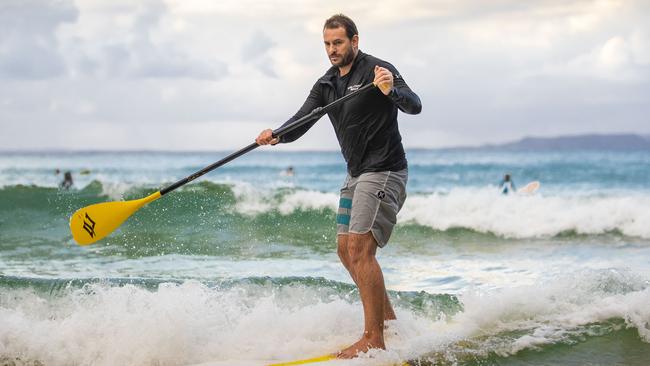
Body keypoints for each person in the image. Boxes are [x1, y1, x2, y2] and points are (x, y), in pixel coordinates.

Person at [256, 14, 421, 358]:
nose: (332, 50)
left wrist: (390, 91)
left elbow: (414, 105)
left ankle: (374, 338)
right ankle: (388, 323)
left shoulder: (378, 70)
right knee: (346, 251)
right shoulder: (327, 83)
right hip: (356, 173)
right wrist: (277, 135)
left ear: (355, 41)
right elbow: (303, 119)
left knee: (361, 251)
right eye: (327, 44)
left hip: (385, 170)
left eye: (338, 43)